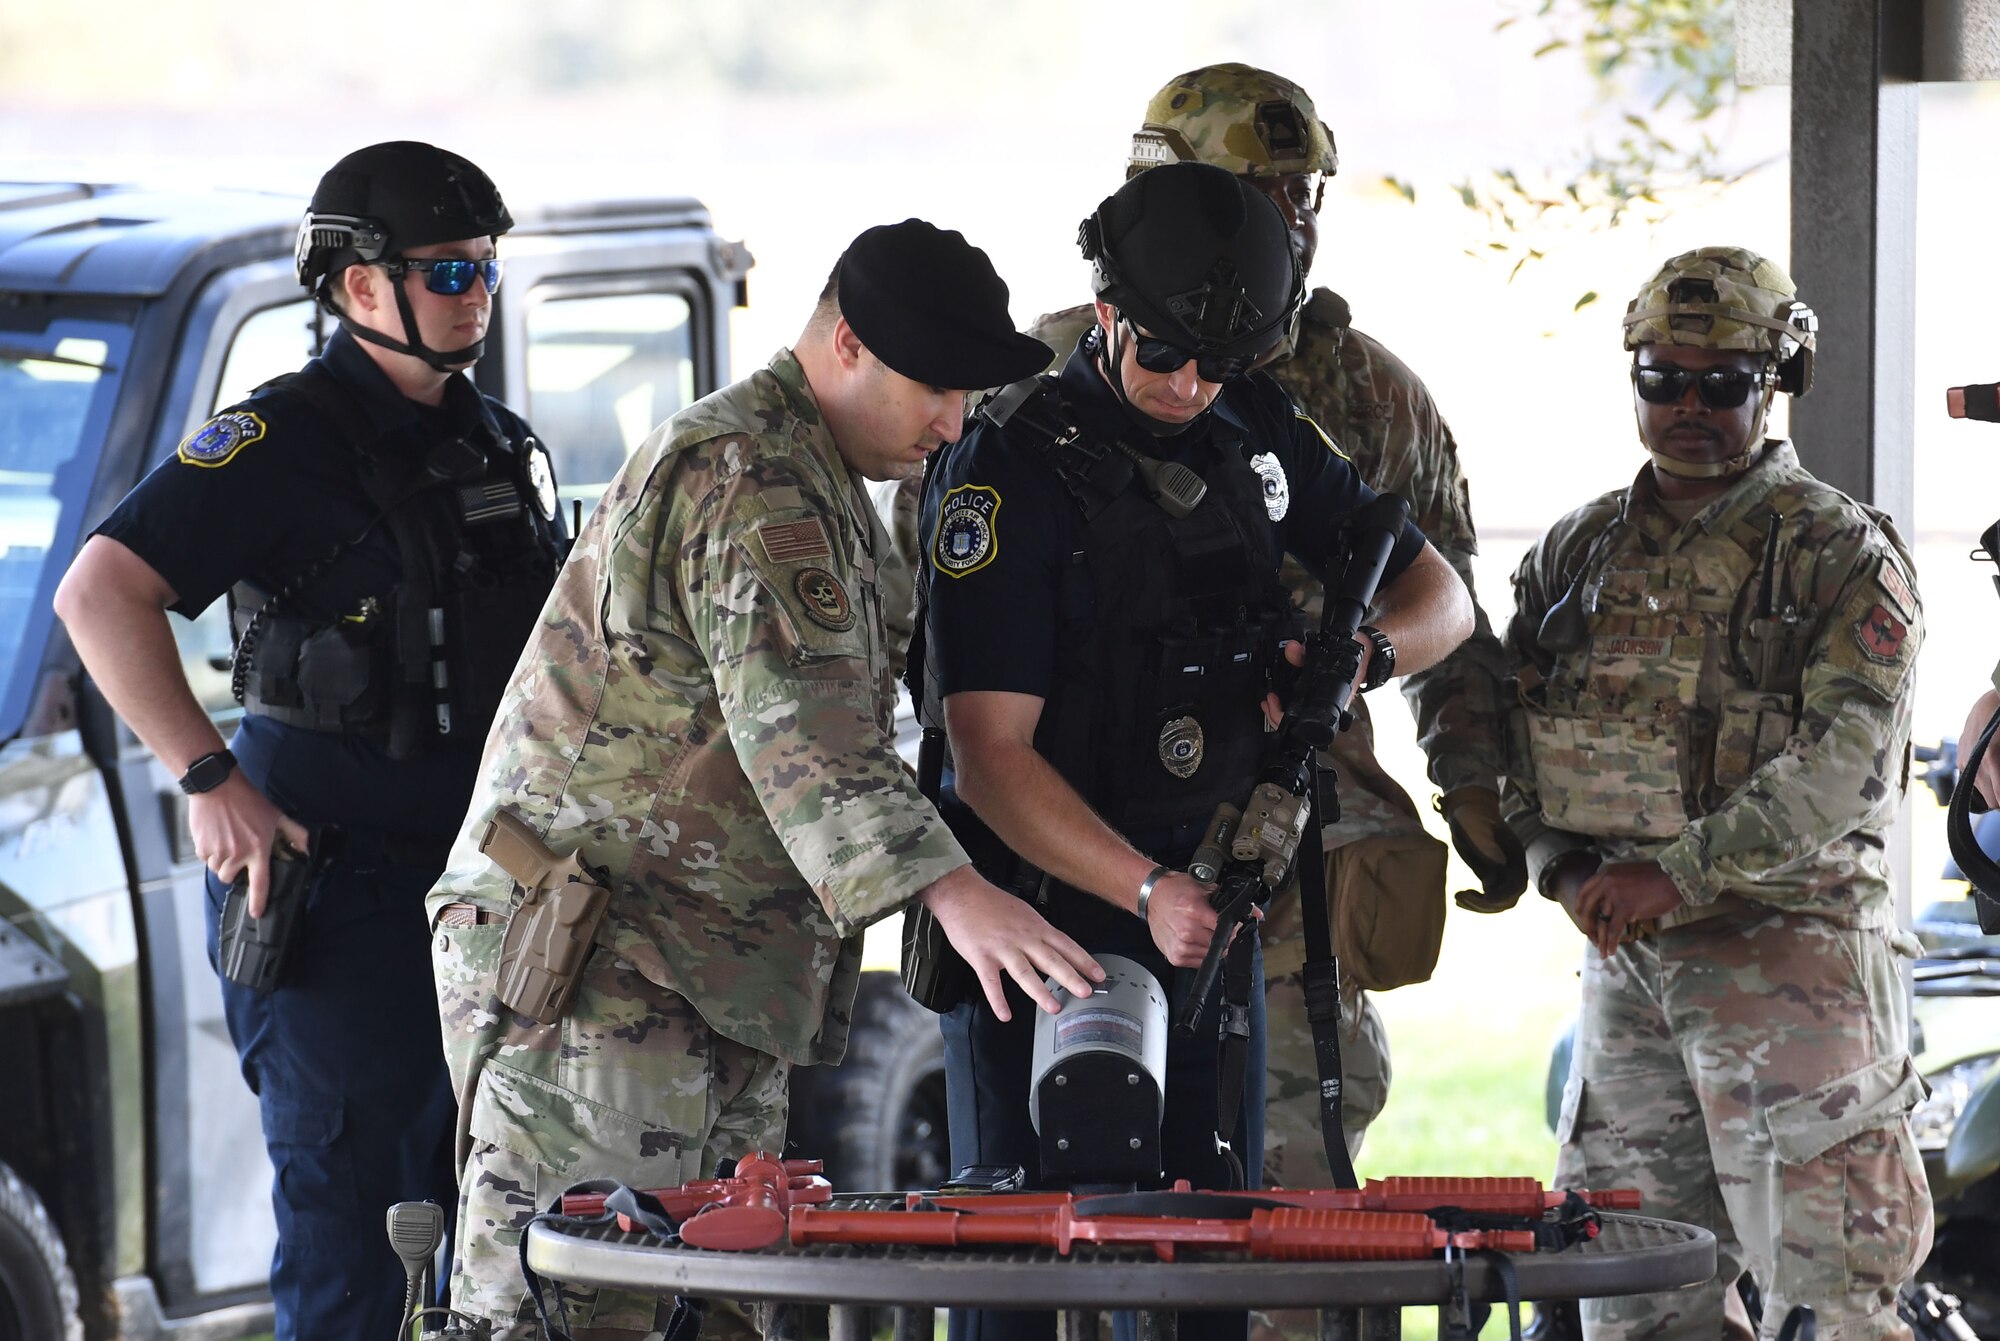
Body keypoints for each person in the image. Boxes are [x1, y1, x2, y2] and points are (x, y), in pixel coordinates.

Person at [427, 218, 1104, 1341]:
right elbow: (808, 739)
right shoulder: (752, 475)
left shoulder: (823, 477)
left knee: (715, 1310)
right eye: (933, 386)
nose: (952, 422)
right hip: (604, 968)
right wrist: (950, 891)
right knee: (577, 1311)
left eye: (967, 393)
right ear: (843, 343)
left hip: (704, 973)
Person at [919, 160, 1473, 1341]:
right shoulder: (1011, 466)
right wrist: (1140, 889)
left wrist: (1359, 655)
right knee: (1013, 1279)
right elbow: (988, 756)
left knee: (1207, 1263)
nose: (1188, 385)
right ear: (1106, 310)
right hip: (1038, 926)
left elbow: (1441, 595)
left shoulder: (1251, 424)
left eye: (1218, 364)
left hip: (1207, 915)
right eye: (1164, 354)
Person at [52, 141, 567, 1341]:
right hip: (336, 900)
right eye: (447, 272)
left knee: (494, 1248)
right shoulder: (281, 440)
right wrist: (206, 773)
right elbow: (98, 593)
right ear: (357, 285)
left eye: (487, 269)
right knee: (358, 1252)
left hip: (489, 910)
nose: (477, 295)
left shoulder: (492, 443)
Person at [1502, 246, 1933, 1341]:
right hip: (1628, 966)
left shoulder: (1836, 552)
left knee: (1833, 1302)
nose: (1686, 406)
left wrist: (1675, 873)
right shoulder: (1579, 548)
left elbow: (1844, 760)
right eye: (1661, 378)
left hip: (1791, 962)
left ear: (1773, 382)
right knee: (1629, 1299)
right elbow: (1509, 723)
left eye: (1722, 382)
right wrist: (1558, 865)